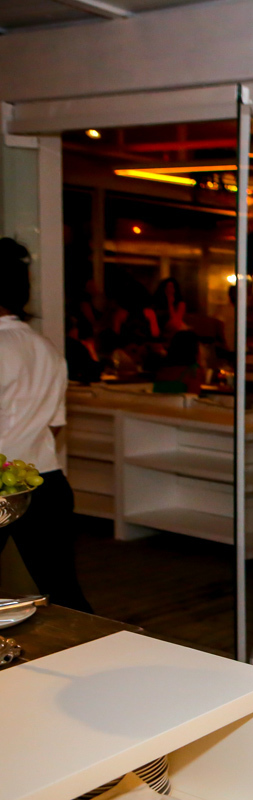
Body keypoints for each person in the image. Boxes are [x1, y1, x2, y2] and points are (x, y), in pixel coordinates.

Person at [0, 237, 92, 613]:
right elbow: (54, 425)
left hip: (5, 487)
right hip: (45, 483)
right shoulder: (46, 348)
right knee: (63, 594)